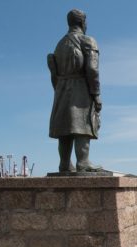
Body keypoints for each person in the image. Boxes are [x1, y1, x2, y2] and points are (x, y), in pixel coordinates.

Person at [47, 9, 102, 172]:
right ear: (83, 23)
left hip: (61, 89)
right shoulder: (87, 40)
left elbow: (53, 73)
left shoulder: (59, 44)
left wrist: (59, 89)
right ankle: (83, 162)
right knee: (82, 125)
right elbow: (92, 69)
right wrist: (96, 94)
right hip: (80, 87)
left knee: (65, 127)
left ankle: (64, 163)